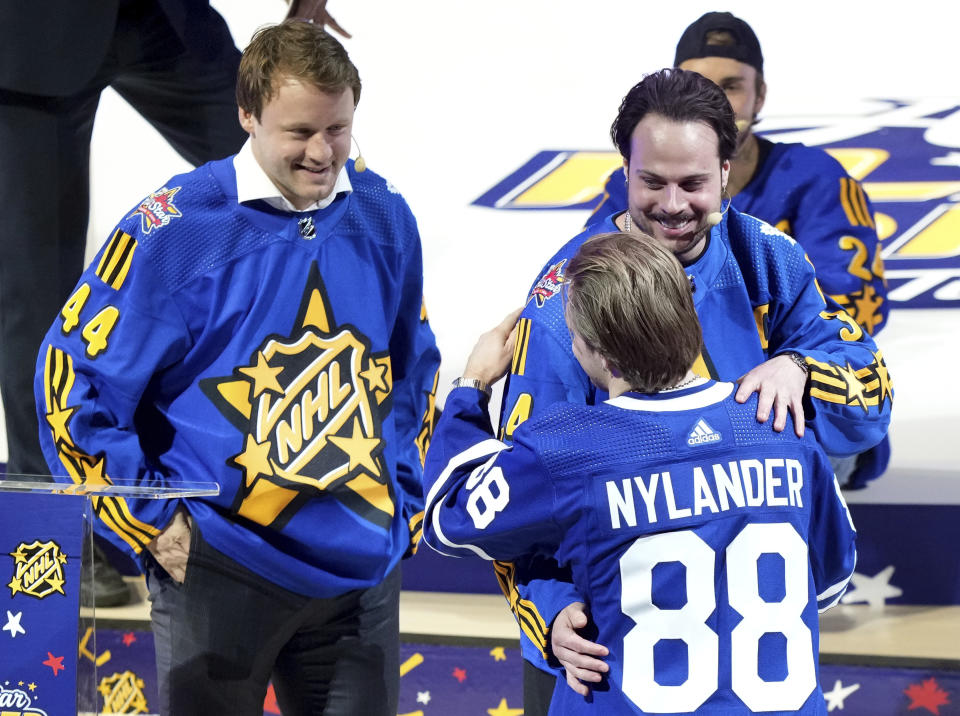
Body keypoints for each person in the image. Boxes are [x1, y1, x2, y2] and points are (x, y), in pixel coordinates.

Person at [34, 20, 440, 716]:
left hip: (358, 574)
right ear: (247, 115)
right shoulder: (174, 231)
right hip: (218, 569)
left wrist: (400, 503)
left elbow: (413, 370)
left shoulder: (384, 214)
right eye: (300, 132)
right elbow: (69, 381)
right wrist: (148, 519)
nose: (323, 153)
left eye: (337, 129)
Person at [499, 67, 892, 714]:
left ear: (728, 172)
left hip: (747, 644)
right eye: (652, 181)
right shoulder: (564, 298)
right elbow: (521, 489)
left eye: (694, 184)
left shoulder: (770, 256)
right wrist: (547, 607)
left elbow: (870, 403)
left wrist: (802, 367)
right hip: (609, 649)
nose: (674, 205)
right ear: (624, 170)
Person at [423, 231, 857, 714]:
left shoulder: (568, 448)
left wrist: (471, 386)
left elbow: (449, 518)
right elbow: (830, 578)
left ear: (598, 353)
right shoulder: (782, 429)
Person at [587, 12, 888, 350]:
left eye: (731, 87)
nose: (715, 103)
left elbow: (857, 310)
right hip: (654, 378)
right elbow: (586, 289)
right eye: (699, 84)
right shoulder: (630, 184)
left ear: (760, 94)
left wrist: (788, 361)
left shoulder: (817, 179)